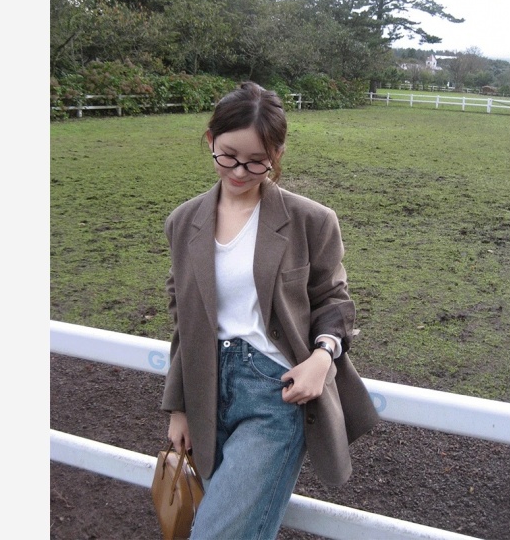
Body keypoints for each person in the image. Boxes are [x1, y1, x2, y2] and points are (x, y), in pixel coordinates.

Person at [161, 81, 380, 540]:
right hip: (205, 390)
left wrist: (322, 356)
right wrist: (177, 406)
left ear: (277, 154)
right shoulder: (183, 222)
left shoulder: (311, 220)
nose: (240, 171)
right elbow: (184, 320)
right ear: (210, 140)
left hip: (274, 394)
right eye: (228, 156)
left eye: (257, 161)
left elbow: (334, 300)